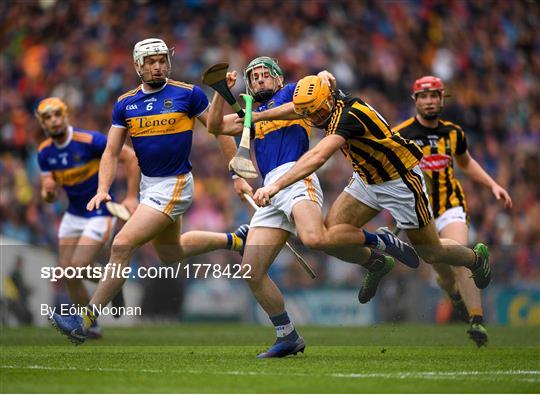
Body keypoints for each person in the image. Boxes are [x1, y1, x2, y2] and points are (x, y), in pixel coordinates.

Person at [208, 57, 419, 358]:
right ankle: (287, 336)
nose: (259, 81)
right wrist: (219, 91)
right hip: (269, 189)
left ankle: (381, 241)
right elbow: (215, 126)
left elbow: (323, 79)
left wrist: (322, 76)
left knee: (315, 238)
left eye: (265, 75)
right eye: (253, 78)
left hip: (297, 178)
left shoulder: (292, 93)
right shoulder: (251, 114)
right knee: (251, 271)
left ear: (279, 80)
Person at [49, 38, 249, 344]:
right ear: (138, 65)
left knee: (121, 245)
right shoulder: (125, 103)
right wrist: (103, 189)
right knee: (171, 254)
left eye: (161, 60)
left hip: (176, 184)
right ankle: (236, 239)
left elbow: (218, 127)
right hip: (149, 186)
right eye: (150, 61)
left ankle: (84, 320)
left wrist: (236, 171)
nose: (157, 66)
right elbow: (111, 152)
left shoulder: (188, 94)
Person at [252, 75, 492, 305]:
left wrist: (275, 186)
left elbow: (318, 155)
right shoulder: (326, 102)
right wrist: (257, 117)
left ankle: (476, 259)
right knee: (331, 237)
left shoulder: (349, 116)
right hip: (366, 179)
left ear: (328, 101)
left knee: (431, 251)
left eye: (317, 113)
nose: (314, 119)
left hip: (400, 182)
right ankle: (376, 260)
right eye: (309, 114)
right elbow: (299, 109)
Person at [393, 76, 512, 346]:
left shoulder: (454, 133)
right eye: (424, 96)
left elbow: (467, 163)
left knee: (459, 253)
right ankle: (455, 297)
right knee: (443, 273)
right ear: (415, 100)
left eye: (434, 95)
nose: (430, 101)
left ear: (442, 98)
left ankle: (477, 321)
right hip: (420, 212)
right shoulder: (400, 135)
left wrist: (493, 184)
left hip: (451, 204)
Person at [36, 96, 139, 338]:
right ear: (42, 124)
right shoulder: (44, 153)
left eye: (57, 114)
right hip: (73, 213)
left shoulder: (89, 140)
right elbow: (48, 194)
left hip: (99, 210)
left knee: (78, 267)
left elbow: (130, 158)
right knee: (66, 272)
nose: (54, 121)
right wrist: (48, 192)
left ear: (66, 115)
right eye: (47, 118)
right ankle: (92, 322)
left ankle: (100, 301)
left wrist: (131, 196)